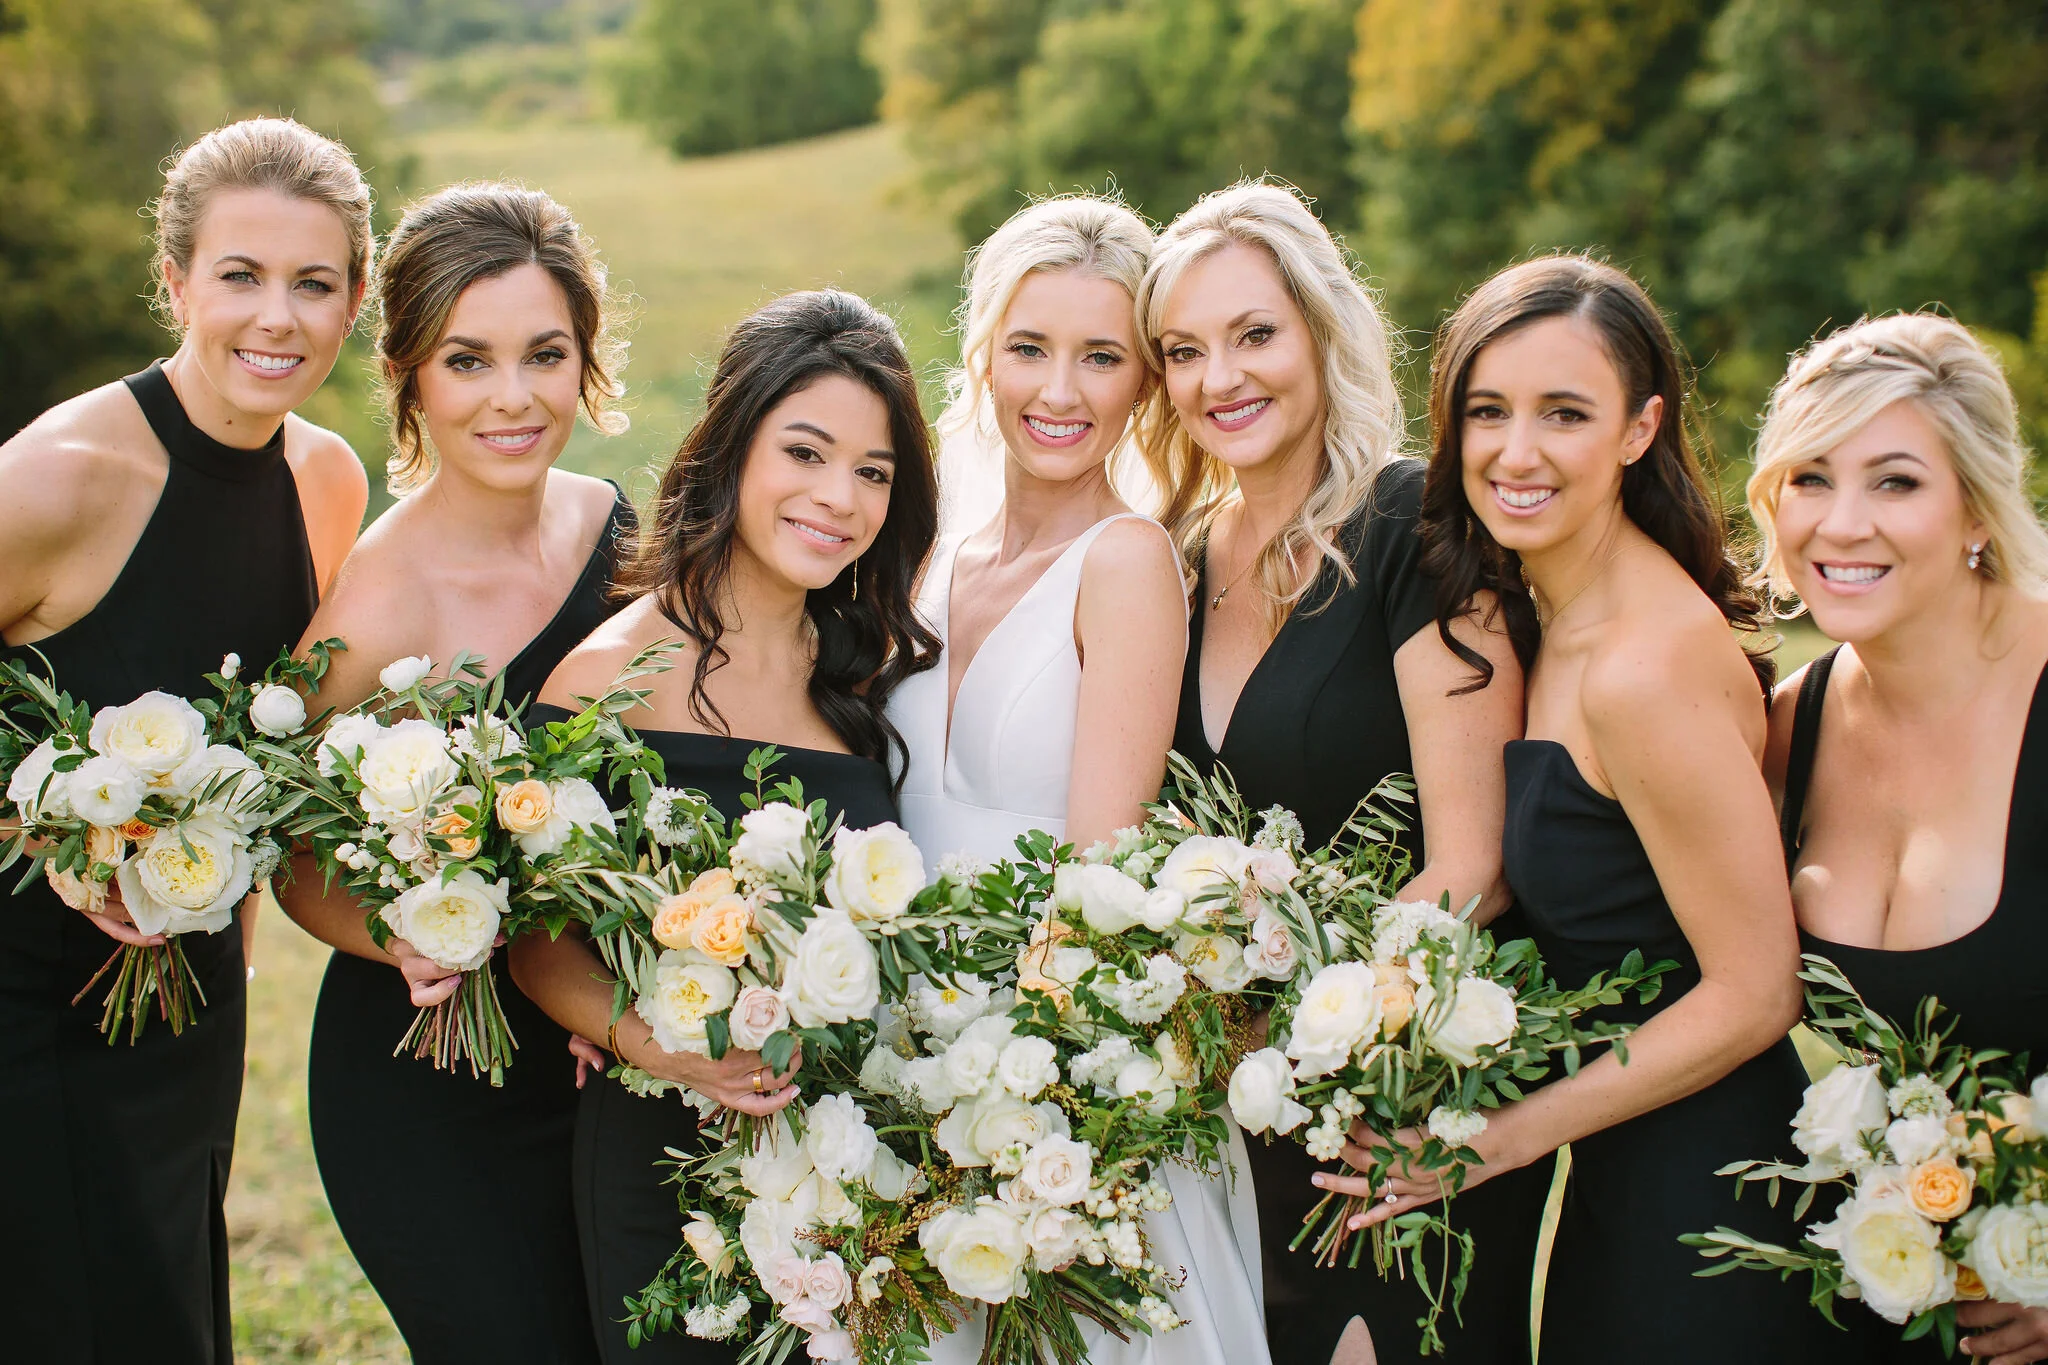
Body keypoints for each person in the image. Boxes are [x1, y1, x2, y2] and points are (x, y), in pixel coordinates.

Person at [1355, 254, 1829, 1363]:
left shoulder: (1640, 667)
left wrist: (1495, 1144)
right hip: (1619, 1175)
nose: (1514, 453)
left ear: (1636, 429)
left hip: (1707, 1207)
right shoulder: (1543, 614)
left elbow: (1757, 993)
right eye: (1486, 411)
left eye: (1562, 413)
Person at [1136, 180, 1538, 1364]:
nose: (1220, 379)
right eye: (1182, 350)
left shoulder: (1416, 524)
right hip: (1223, 1119)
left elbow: (1474, 867)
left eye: (1253, 334)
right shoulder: (1172, 556)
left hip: (1393, 1107)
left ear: (1321, 330)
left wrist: (1300, 1032)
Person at [0, 116, 372, 1365]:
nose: (278, 317)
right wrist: (43, 832)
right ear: (174, 283)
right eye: (240, 276)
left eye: (313, 284)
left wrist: (236, 952)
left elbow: (263, 763)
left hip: (185, 1008)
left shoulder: (327, 482)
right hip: (19, 1005)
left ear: (354, 300)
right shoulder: (59, 477)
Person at [509, 287, 939, 1364]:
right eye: (805, 453)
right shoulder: (612, 677)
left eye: (873, 472)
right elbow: (537, 939)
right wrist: (658, 1046)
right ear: (735, 450)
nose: (837, 498)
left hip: (850, 1172)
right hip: (669, 1159)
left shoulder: (864, 676)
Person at [892, 194, 1267, 1365]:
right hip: (891, 1043)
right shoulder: (924, 554)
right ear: (979, 356)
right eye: (1029, 349)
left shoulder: (1127, 561)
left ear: (1144, 385)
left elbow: (1101, 870)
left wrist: (1012, 1109)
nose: (1059, 392)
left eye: (1099, 357)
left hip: (1050, 1073)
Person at [273, 182, 634, 1364]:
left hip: (604, 1058)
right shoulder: (377, 603)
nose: (513, 397)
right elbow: (297, 859)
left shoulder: (614, 532)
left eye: (544, 354)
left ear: (585, 358)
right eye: (468, 361)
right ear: (413, 376)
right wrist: (412, 938)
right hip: (432, 1078)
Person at [1755, 314, 2048, 1365]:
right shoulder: (1786, 728)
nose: (1839, 525)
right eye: (1808, 479)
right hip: (1843, 1310)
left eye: (1892, 482)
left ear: (1972, 503)